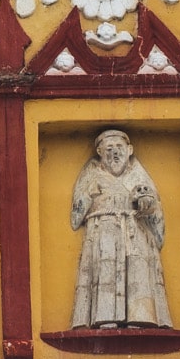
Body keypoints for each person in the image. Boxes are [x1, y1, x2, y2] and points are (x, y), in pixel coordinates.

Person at [69, 129, 172, 329]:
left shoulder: (138, 176)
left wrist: (146, 203)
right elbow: (76, 217)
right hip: (103, 232)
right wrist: (90, 192)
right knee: (104, 273)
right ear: (99, 152)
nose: (115, 153)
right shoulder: (92, 174)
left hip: (135, 233)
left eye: (119, 147)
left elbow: (155, 213)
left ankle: (140, 317)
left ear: (129, 150)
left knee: (138, 271)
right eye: (109, 149)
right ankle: (104, 317)